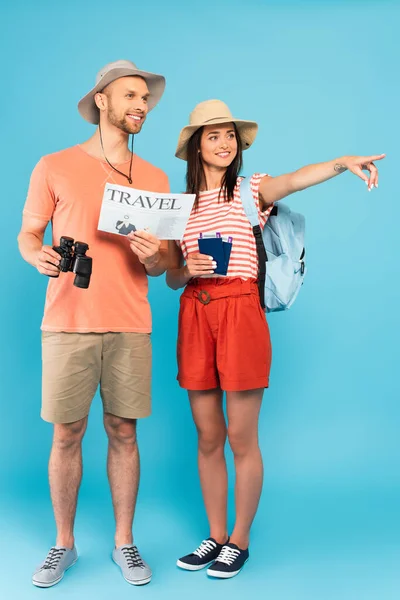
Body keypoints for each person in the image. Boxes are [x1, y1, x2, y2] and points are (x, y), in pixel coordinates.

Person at [166, 99, 385, 579]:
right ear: (196, 147)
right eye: (214, 136)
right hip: (195, 312)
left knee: (241, 436)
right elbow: (169, 278)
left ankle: (239, 541)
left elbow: (297, 178)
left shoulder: (250, 192)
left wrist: (342, 163)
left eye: (230, 136)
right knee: (208, 435)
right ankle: (215, 536)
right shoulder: (178, 208)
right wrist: (185, 269)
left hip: (241, 310)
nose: (225, 144)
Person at [18, 60, 169, 588]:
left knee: (124, 432)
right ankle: (64, 545)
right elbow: (28, 234)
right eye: (130, 95)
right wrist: (35, 254)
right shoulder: (53, 165)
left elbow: (164, 265)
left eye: (146, 99)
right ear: (101, 100)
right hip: (67, 321)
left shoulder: (154, 178)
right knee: (67, 435)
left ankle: (124, 542)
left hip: (130, 323)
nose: (141, 105)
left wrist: (154, 256)